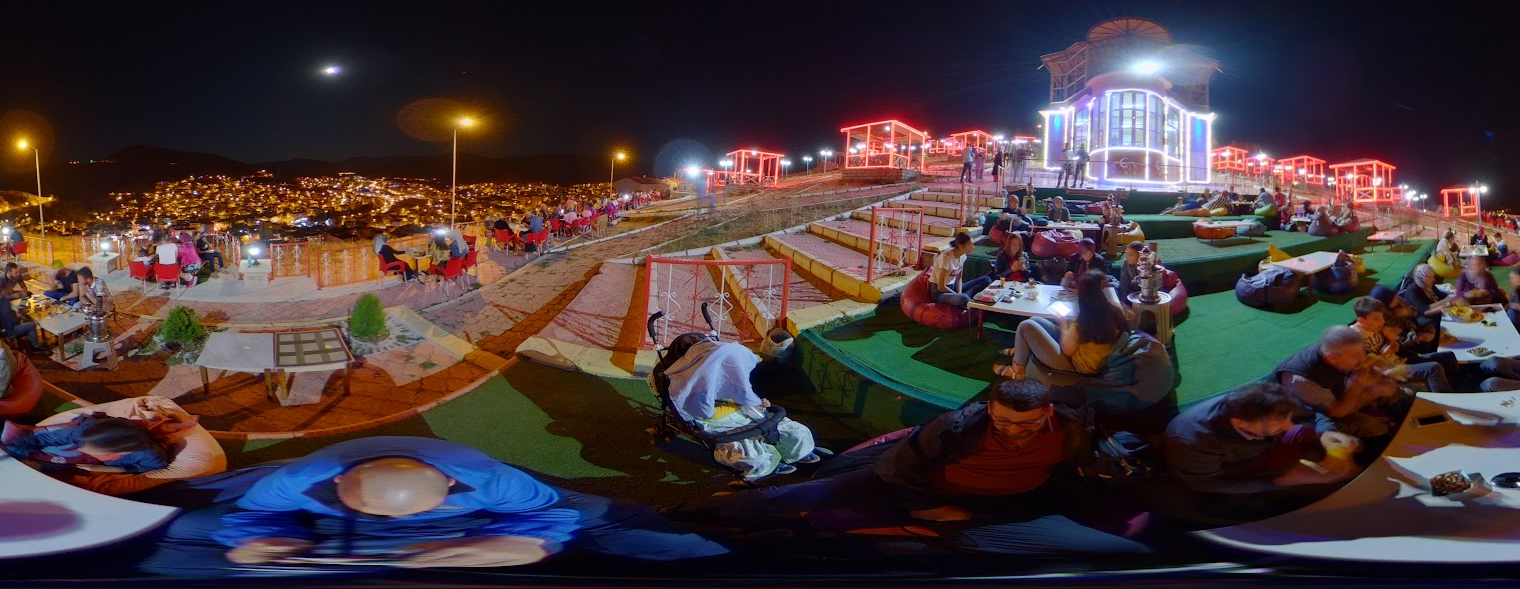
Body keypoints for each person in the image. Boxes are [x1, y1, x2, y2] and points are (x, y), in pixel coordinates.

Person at [671, 380, 1148, 557]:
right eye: (1003, 422)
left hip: (992, 508)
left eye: (1024, 426)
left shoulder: (1072, 430)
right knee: (791, 499)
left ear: (1046, 415)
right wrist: (932, 505)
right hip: (908, 485)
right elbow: (899, 467)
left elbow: (1095, 458)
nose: (1012, 433)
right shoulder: (957, 426)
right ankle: (684, 517)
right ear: (990, 411)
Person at [142, 437, 726, 576]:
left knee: (630, 533)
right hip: (325, 516)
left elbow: (550, 518)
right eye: (380, 518)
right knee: (177, 535)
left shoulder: (496, 482)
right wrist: (261, 545)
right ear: (342, 488)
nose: (399, 530)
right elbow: (250, 520)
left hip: (480, 512)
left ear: (447, 489)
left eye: (407, 517)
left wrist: (529, 544)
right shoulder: (298, 481)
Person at [1163, 382, 1359, 521]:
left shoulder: (1273, 403)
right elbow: (1205, 483)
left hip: (1262, 452)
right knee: (1239, 507)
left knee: (1304, 432)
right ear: (1239, 423)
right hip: (1231, 474)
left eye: (1288, 418)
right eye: (1278, 423)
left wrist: (1326, 433)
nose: (1288, 426)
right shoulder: (1193, 440)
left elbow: (1311, 413)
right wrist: (1280, 482)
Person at [656, 336, 821, 480]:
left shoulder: (730, 381)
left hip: (745, 413)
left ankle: (799, 450)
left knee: (794, 430)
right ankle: (763, 467)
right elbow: (704, 411)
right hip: (720, 423)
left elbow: (743, 393)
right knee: (748, 451)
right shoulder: (697, 390)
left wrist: (757, 403)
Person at [996, 271, 1128, 379]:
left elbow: (1067, 350)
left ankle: (1017, 371)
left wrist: (1062, 323)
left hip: (1076, 366)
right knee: (1036, 319)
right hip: (1091, 357)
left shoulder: (1084, 323)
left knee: (1025, 326)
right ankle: (1020, 351)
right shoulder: (1114, 311)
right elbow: (1129, 318)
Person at [1275, 326, 1401, 439]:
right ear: (1332, 359)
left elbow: (1363, 369)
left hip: (1338, 393)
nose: (1363, 358)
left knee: (1390, 389)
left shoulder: (1339, 351)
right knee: (1371, 426)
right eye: (1356, 355)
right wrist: (1359, 387)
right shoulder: (1301, 379)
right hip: (1311, 414)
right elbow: (1337, 411)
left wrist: (1385, 370)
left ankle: (1397, 418)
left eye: (1362, 351)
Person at [3, 415, 172, 478]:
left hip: (110, 451)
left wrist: (117, 470)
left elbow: (152, 466)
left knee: (59, 465)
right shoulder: (82, 434)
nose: (82, 448)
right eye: (84, 446)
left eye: (91, 449)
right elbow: (42, 439)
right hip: (91, 427)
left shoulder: (147, 454)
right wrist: (12, 452)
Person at [1348, 296, 1451, 393]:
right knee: (1433, 368)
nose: (1383, 321)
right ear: (1361, 320)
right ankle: (1449, 402)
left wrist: (1393, 342)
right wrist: (1384, 354)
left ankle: (1455, 388)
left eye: (1382, 317)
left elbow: (1394, 346)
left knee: (1447, 356)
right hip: (1390, 370)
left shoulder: (1377, 327)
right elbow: (1364, 367)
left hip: (1400, 360)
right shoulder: (1354, 338)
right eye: (1376, 319)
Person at [930, 233, 990, 308]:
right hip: (940, 292)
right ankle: (965, 299)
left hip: (953, 287)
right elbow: (941, 287)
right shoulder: (946, 258)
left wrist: (959, 293)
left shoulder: (963, 256)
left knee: (986, 280)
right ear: (960, 246)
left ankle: (965, 298)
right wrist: (958, 295)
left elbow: (959, 278)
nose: (973, 247)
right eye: (970, 245)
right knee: (964, 298)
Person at [0, 263, 43, 351]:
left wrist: (23, 292)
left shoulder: (17, 276)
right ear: (8, 272)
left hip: (9, 297)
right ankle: (35, 347)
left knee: (28, 295)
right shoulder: (1, 281)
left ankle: (24, 312)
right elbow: (3, 297)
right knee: (31, 324)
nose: (18, 274)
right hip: (9, 329)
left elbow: (23, 286)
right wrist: (15, 296)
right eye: (15, 272)